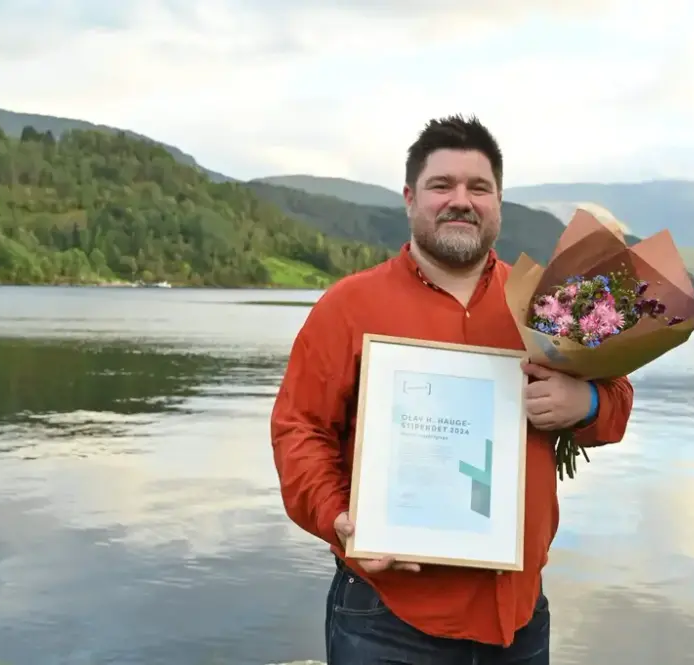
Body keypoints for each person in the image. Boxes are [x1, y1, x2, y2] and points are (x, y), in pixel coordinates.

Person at [270, 115, 634, 664]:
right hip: (387, 619)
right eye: (442, 186)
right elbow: (300, 429)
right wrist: (339, 518)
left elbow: (617, 405)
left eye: (479, 188)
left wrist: (582, 403)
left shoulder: (549, 306)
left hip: (519, 617)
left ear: (499, 203)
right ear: (411, 198)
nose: (461, 200)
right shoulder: (347, 306)